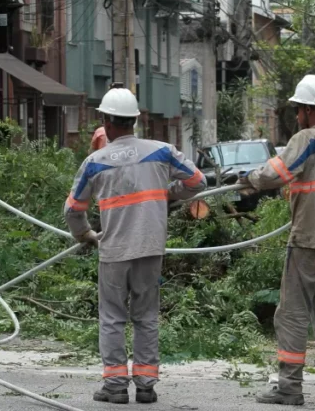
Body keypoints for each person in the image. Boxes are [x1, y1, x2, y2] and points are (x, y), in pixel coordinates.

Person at [63, 87, 206, 405]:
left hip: (114, 250)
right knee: (146, 316)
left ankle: (114, 387)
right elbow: (198, 182)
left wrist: (84, 234)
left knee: (112, 317)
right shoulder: (162, 152)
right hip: (151, 247)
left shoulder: (95, 161)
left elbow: (73, 210)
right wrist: (170, 192)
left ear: (106, 121)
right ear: (135, 121)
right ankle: (145, 385)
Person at [236, 74, 315, 407]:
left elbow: (276, 173)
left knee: (290, 314)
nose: (296, 116)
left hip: (308, 240)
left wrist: (247, 180)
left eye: (297, 110)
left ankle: (289, 387)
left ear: (306, 109)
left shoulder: (307, 139)